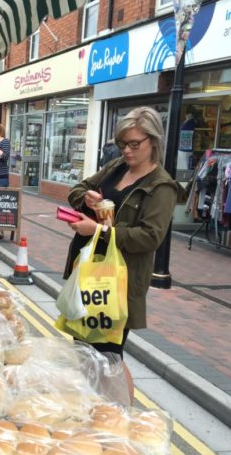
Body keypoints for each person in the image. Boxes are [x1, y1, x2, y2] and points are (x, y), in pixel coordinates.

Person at [62, 106, 178, 399]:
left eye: (134, 144)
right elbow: (78, 189)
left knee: (108, 355)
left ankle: (117, 419)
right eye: (123, 143)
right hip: (88, 274)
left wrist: (99, 231)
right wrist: (85, 197)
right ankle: (94, 412)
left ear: (154, 141)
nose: (127, 150)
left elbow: (151, 237)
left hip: (116, 284)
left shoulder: (161, 187)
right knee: (85, 350)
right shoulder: (116, 168)